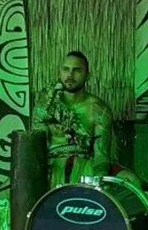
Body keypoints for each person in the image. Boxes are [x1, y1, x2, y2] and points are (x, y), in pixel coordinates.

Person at [33, 51, 141, 188]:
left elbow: (101, 153)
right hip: (52, 164)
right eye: (66, 69)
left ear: (87, 75)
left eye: (76, 70)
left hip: (87, 163)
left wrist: (99, 180)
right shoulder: (46, 105)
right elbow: (37, 150)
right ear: (60, 72)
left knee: (132, 180)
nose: (70, 75)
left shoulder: (99, 109)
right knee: (10, 187)